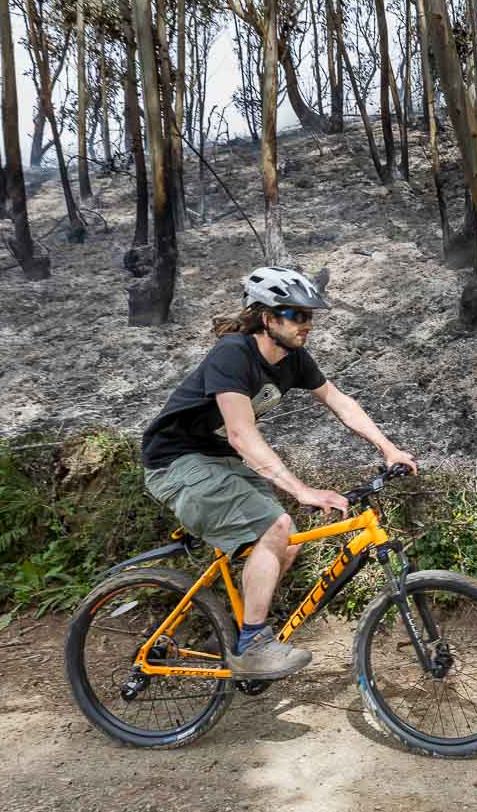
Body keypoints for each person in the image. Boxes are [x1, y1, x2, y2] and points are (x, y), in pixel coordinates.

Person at [141, 266, 417, 680]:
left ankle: (235, 638)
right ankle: (253, 644)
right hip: (177, 462)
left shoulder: (293, 359)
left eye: (309, 316)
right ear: (268, 318)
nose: (307, 324)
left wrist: (389, 448)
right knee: (277, 524)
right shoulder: (233, 353)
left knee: (284, 543)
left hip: (219, 463)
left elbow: (340, 402)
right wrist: (301, 489)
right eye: (296, 315)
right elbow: (240, 432)